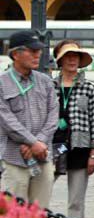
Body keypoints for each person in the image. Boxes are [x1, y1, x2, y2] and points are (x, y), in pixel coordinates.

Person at [51, 40, 94, 218]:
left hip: (79, 148)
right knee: (41, 193)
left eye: (76, 56)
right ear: (60, 60)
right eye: (68, 56)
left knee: (76, 200)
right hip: (52, 146)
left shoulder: (89, 88)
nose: (72, 59)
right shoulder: (49, 86)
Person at [0, 31, 58, 208]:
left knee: (40, 216)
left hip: (42, 157)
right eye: (32, 51)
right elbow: (6, 120)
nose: (37, 55)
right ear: (15, 54)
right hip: (14, 159)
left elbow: (53, 114)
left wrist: (39, 142)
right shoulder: (2, 83)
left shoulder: (45, 81)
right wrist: (32, 142)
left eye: (39, 51)